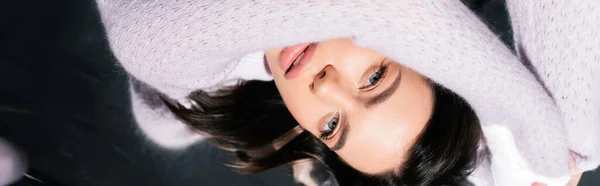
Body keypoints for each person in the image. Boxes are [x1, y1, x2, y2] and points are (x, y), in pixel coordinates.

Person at [95, 0, 599, 185]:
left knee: (169, 117)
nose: (325, 86)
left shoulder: (169, 54)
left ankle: (164, 115)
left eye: (332, 127)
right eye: (376, 79)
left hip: (184, 73)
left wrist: (524, 124)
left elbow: (380, 11)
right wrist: (541, 139)